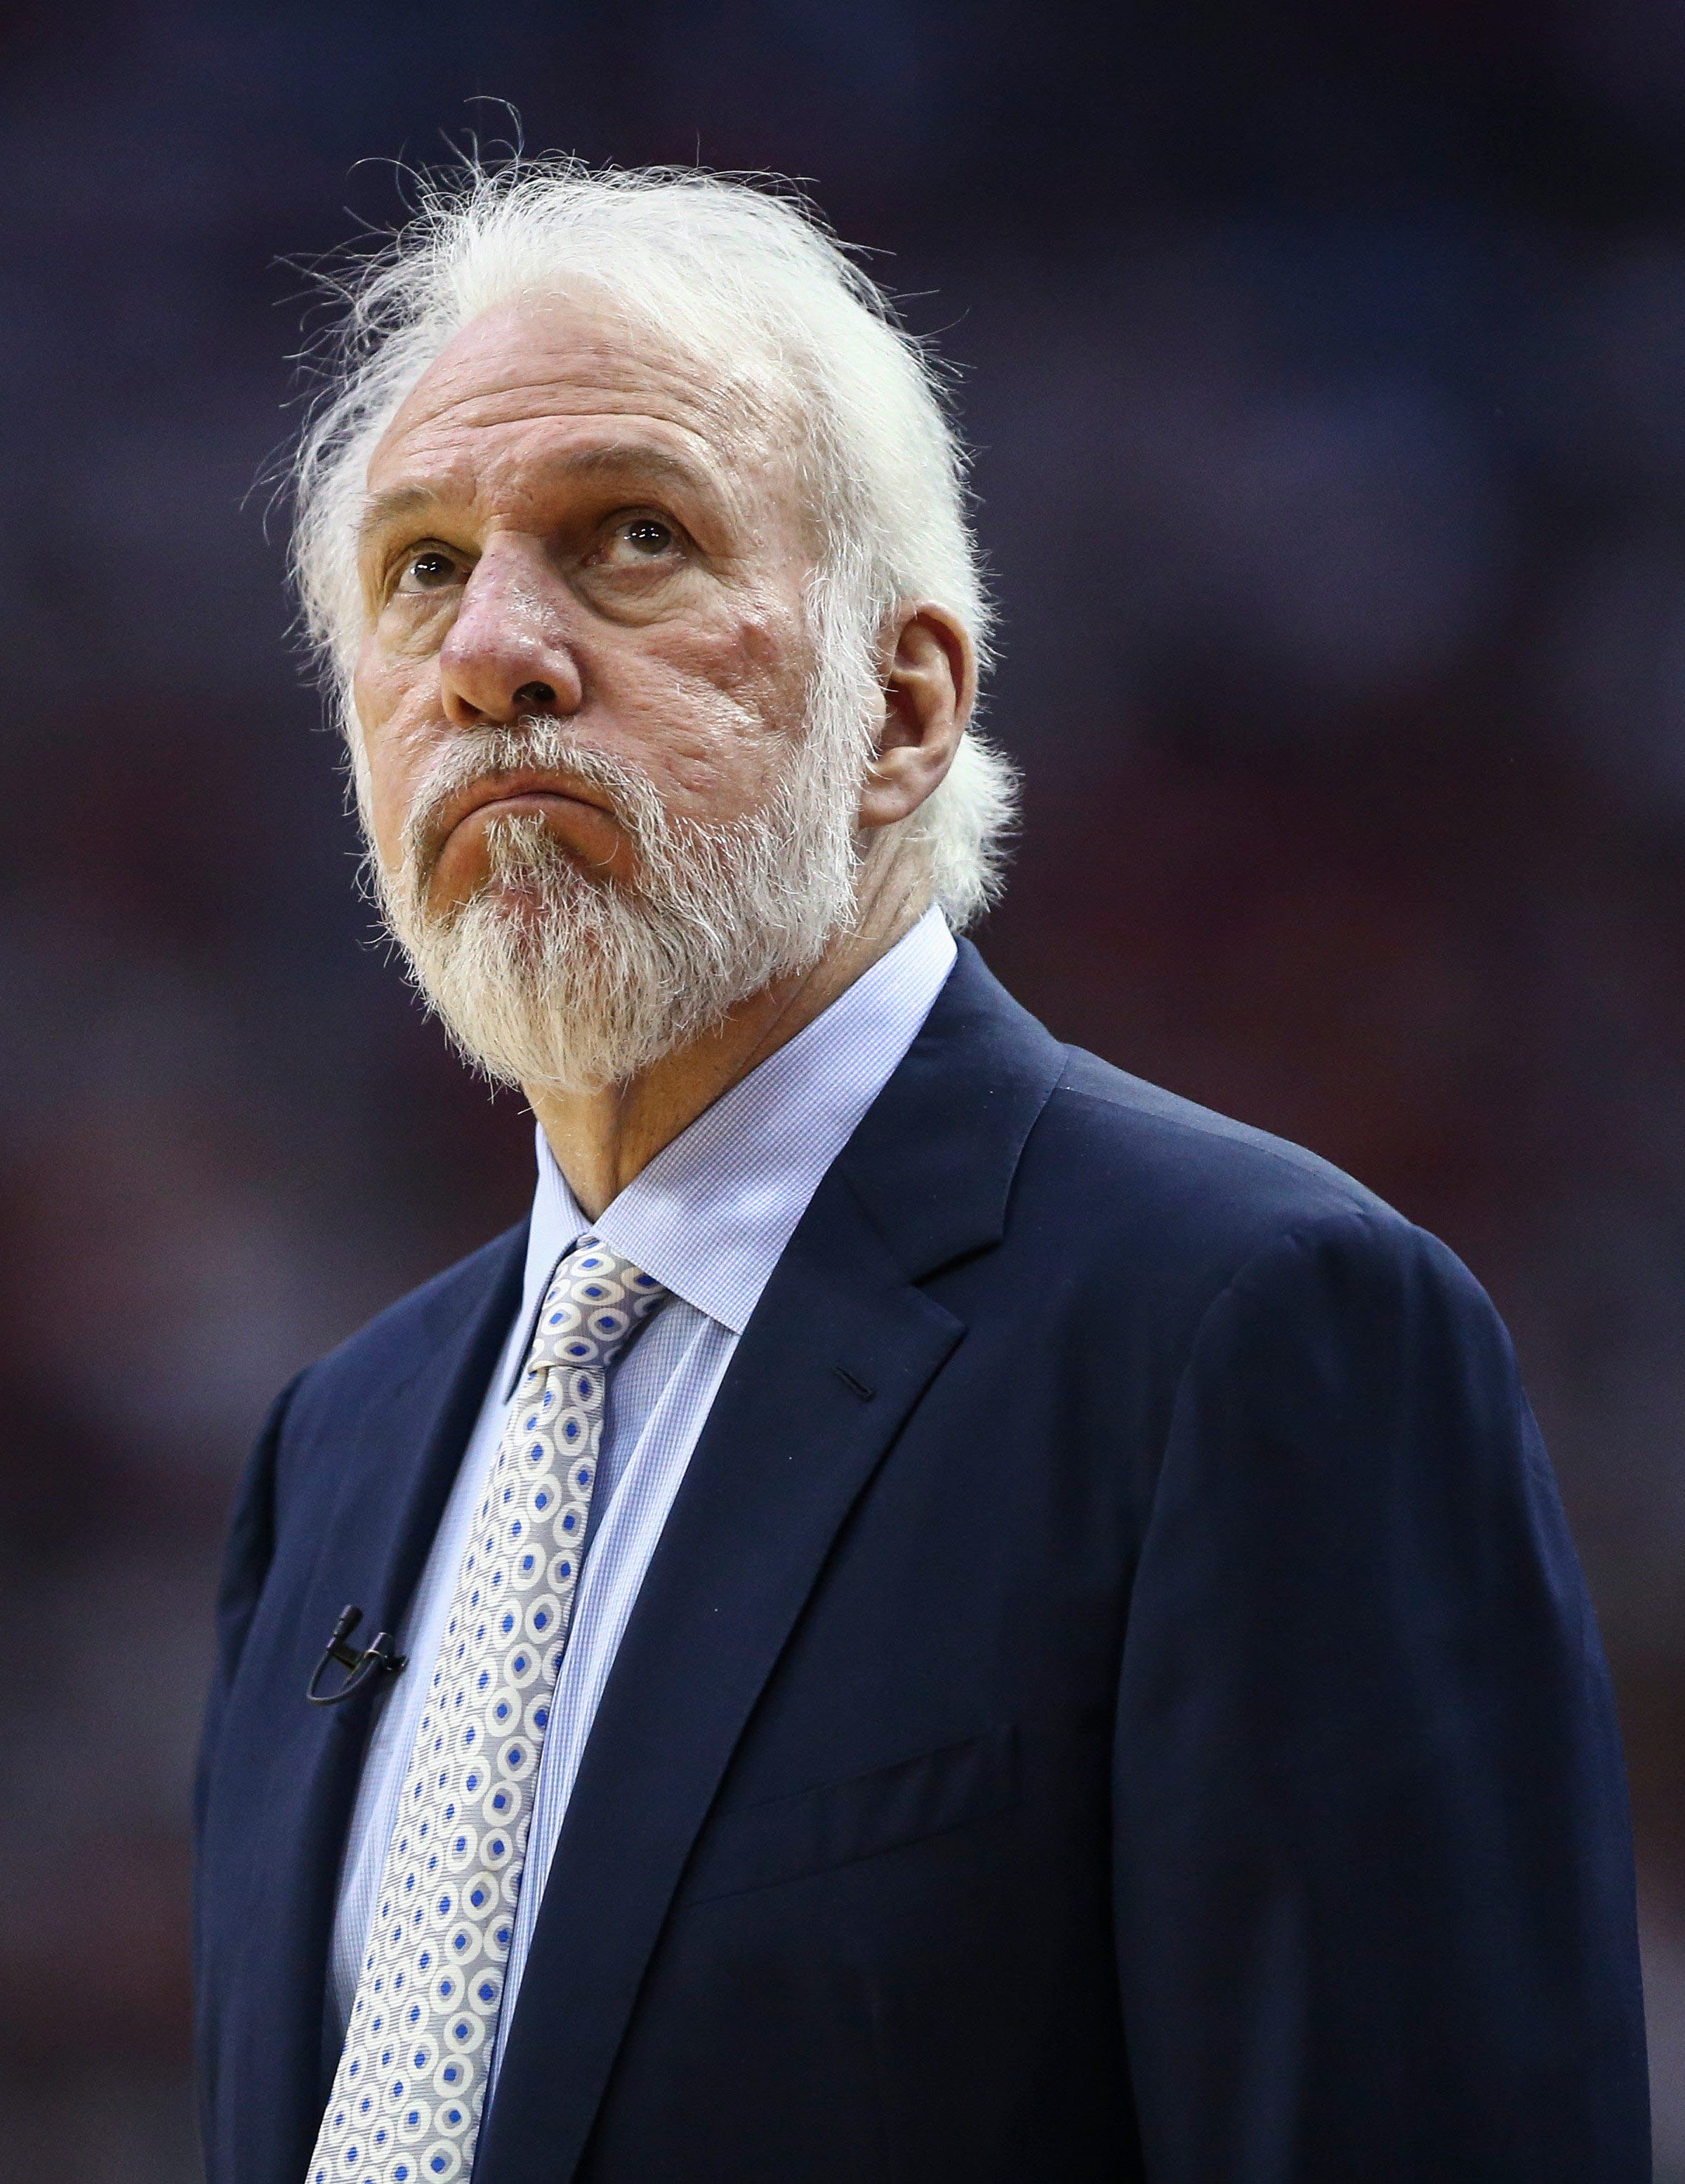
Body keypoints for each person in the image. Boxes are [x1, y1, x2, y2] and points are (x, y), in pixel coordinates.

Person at [192, 160, 1648, 2184]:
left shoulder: (1255, 1332)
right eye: (419, 568)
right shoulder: (334, 1456)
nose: (492, 653)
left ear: (903, 706)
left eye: (630, 540)